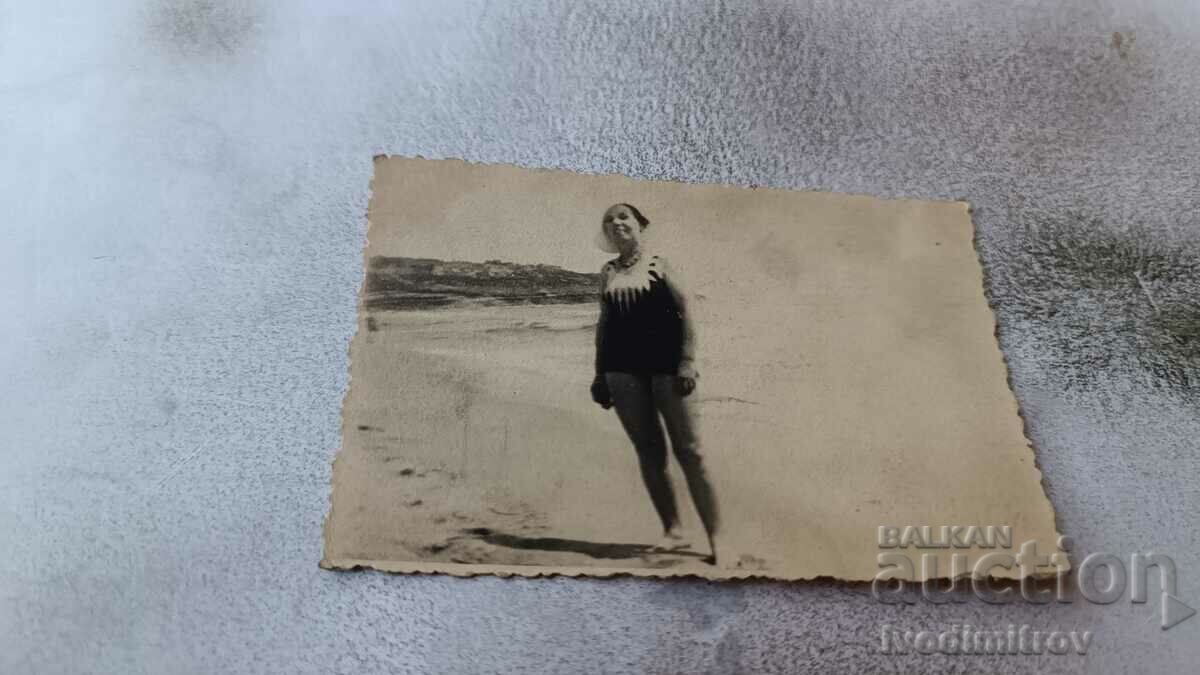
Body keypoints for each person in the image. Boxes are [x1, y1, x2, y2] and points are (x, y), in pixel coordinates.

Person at [589, 203, 720, 564]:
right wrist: (599, 374)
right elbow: (604, 325)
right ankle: (674, 531)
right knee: (649, 453)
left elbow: (687, 309)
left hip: (666, 366)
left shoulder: (661, 263)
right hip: (620, 370)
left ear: (640, 225)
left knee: (691, 453)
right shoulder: (607, 271)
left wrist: (688, 361)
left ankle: (719, 539)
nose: (616, 223)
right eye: (609, 220)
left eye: (623, 216)